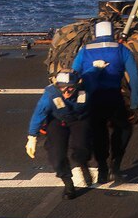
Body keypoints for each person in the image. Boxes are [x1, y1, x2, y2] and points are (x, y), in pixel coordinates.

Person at [71, 21, 138, 184]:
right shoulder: (121, 49)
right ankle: (115, 167)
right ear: (112, 34)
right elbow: (135, 77)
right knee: (123, 128)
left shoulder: (85, 50)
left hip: (92, 98)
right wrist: (136, 100)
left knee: (98, 131)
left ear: (95, 34)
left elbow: (73, 74)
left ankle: (102, 168)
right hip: (113, 97)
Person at [25, 70, 92, 199]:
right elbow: (39, 114)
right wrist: (32, 136)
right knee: (56, 154)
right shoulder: (50, 95)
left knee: (81, 147)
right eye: (62, 88)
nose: (66, 92)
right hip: (58, 120)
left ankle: (83, 163)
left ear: (78, 84)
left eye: (70, 88)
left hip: (79, 119)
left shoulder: (87, 88)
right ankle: (68, 184)